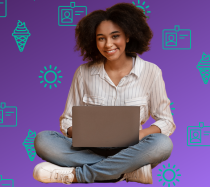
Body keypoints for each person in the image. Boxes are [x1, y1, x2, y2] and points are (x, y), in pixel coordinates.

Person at [33, 2, 176, 185]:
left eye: (115, 36)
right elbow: (67, 119)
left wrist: (140, 135)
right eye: (101, 38)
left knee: (162, 144)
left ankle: (76, 175)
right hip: (89, 148)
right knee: (43, 140)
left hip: (132, 148)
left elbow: (166, 121)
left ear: (127, 36)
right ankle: (127, 171)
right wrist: (80, 133)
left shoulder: (151, 72)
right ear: (94, 40)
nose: (108, 44)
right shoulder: (83, 72)